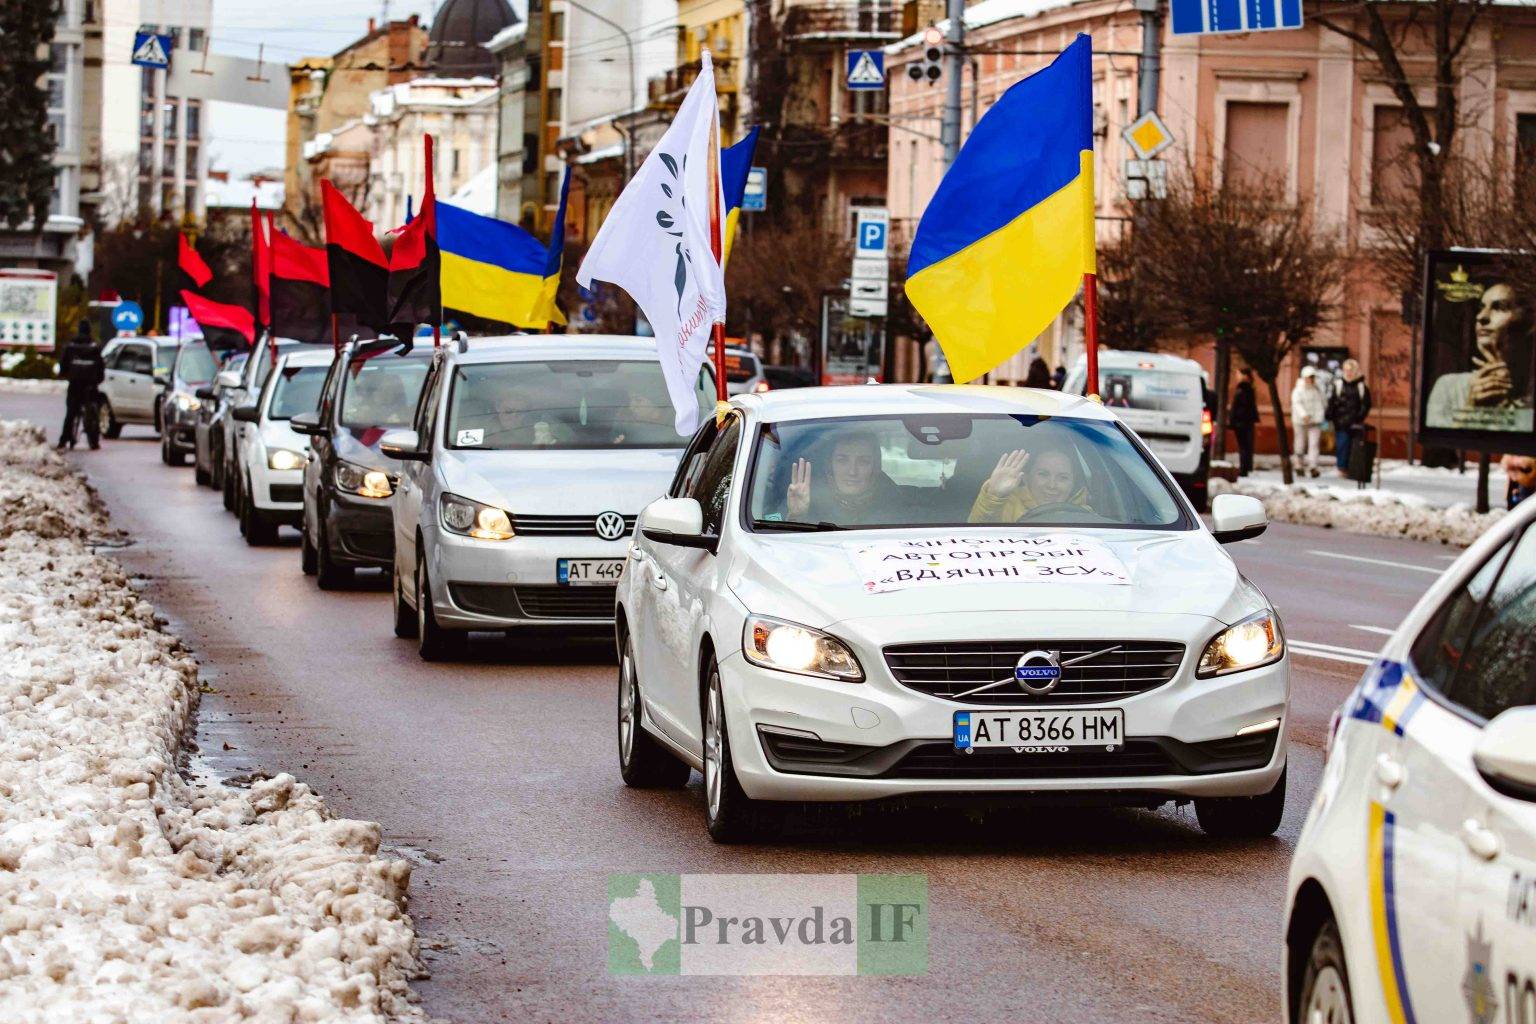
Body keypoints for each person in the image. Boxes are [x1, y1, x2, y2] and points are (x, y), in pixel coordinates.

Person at [1426, 281, 1534, 432]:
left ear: (1528, 322)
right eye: (1481, 308)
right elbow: (1439, 444)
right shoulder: (1449, 387)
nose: (1481, 317)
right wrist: (1472, 411)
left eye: (1499, 307)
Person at [784, 431, 909, 524]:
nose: (852, 471)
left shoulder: (901, 507)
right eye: (842, 460)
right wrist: (796, 516)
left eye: (863, 461)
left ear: (875, 467)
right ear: (830, 465)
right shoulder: (802, 500)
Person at [970, 443, 1091, 523]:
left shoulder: (1086, 515)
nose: (1052, 485)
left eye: (1063, 478)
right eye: (1043, 474)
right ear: (1026, 478)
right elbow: (978, 533)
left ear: (1073, 483)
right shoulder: (1006, 507)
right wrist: (994, 496)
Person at [57, 321, 105, 450]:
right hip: (90, 385)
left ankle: (64, 440)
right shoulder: (95, 347)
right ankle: (94, 440)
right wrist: (98, 380)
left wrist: (64, 374)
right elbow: (101, 366)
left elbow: (63, 364)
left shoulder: (70, 346)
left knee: (71, 413)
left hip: (75, 384)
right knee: (94, 411)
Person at [1328, 358, 1372, 477]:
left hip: (1355, 422)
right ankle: (1342, 468)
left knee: (1354, 446)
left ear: (1356, 371)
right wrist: (1331, 416)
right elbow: (1332, 402)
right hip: (1340, 421)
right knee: (1342, 444)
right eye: (1346, 370)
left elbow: (1366, 404)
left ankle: (1352, 468)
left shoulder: (1361, 386)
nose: (1348, 373)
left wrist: (1359, 417)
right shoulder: (1338, 384)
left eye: (1351, 370)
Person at [1290, 366, 1326, 477]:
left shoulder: (1318, 389)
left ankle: (1313, 466)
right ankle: (1298, 465)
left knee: (1314, 444)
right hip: (1300, 421)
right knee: (1300, 443)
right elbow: (1297, 404)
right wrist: (1304, 415)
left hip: (1315, 421)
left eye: (1312, 377)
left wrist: (1319, 417)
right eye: (1308, 377)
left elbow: (1322, 404)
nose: (1310, 379)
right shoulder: (1298, 390)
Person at [1228, 369, 1259, 477]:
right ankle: (1246, 467)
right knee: (1246, 446)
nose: (1237, 376)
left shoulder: (1243, 390)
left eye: (1238, 374)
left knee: (1243, 446)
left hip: (1241, 422)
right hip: (1245, 422)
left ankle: (1243, 469)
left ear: (1245, 376)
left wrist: (1233, 420)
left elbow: (1238, 407)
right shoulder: (1249, 389)